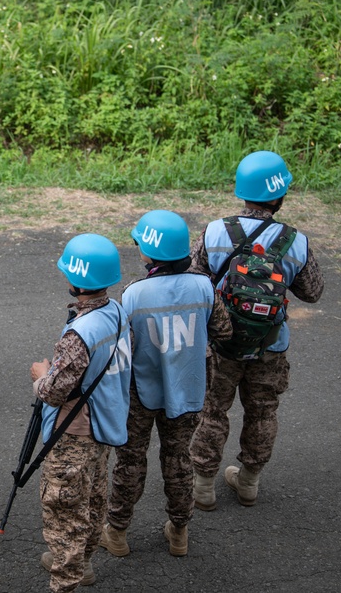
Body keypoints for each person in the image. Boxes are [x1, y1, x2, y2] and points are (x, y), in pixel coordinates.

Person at [189, 151, 325, 509]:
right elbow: (312, 292)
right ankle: (248, 481)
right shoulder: (296, 240)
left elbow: (194, 281)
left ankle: (203, 485)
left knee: (212, 410)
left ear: (242, 192)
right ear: (279, 196)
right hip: (270, 345)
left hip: (222, 343)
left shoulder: (216, 231)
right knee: (263, 411)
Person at [100, 211, 232, 560]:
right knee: (178, 459)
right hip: (188, 390)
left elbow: (120, 347)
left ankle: (117, 531)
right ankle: (179, 531)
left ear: (149, 253)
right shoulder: (204, 286)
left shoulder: (134, 294)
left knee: (130, 461)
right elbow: (223, 332)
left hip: (140, 394)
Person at [31, 233, 132, 593]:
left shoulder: (80, 333)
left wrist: (41, 376)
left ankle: (66, 578)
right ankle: (82, 565)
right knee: (91, 500)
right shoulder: (117, 311)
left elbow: (54, 392)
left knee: (64, 513)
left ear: (76, 281)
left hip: (74, 434)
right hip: (104, 426)